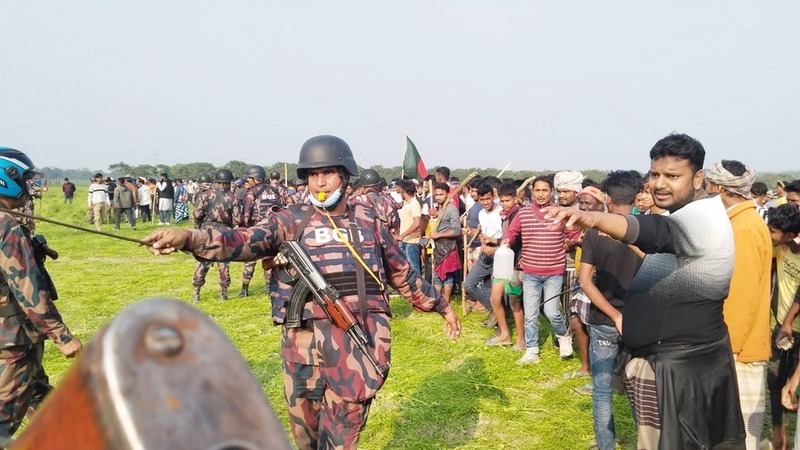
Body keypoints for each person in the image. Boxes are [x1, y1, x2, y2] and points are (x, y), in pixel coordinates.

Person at [142, 135, 461, 449]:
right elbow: (240, 241)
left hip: (355, 343)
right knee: (306, 437)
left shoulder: (369, 223)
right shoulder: (290, 221)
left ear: (345, 176)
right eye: (313, 175)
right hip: (302, 345)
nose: (320, 183)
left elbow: (402, 274)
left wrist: (442, 305)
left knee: (340, 440)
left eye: (328, 174)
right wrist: (188, 237)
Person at [545, 133, 745, 449]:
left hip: (679, 375)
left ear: (698, 178)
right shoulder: (688, 213)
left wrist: (592, 218)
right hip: (674, 364)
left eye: (672, 176)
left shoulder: (702, 221)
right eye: (655, 174)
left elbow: (653, 232)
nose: (659, 184)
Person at [0, 148, 83, 440]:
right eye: (25, 180)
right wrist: (62, 336)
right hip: (14, 341)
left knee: (45, 403)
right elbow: (26, 286)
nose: (30, 187)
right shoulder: (5, 225)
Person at [704, 160, 772, 450]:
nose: (706, 195)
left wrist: (724, 351)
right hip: (740, 345)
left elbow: (740, 300)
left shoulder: (743, 229)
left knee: (739, 436)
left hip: (739, 351)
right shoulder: (742, 222)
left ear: (720, 189)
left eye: (708, 188)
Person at [579, 170, 644, 450]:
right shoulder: (649, 231)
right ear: (637, 196)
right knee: (640, 392)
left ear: (607, 197)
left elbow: (584, 281)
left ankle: (606, 445)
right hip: (640, 323)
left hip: (605, 320)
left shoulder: (595, 233)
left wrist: (615, 315)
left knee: (602, 390)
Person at [502, 175, 573, 365]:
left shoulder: (560, 213)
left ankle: (563, 336)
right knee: (531, 314)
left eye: (545, 190)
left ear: (552, 192)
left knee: (551, 311)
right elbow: (512, 231)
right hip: (531, 272)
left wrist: (572, 241)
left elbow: (574, 233)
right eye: (537, 190)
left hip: (554, 272)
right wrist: (506, 240)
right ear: (532, 192)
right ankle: (532, 350)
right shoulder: (524, 213)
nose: (541, 194)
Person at [767, 204, 800, 450]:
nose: (769, 235)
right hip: (781, 327)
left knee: (794, 385)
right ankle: (780, 434)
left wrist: (788, 322)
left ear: (789, 235)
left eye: (773, 232)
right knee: (775, 379)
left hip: (794, 330)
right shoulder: (780, 249)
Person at [191, 169, 240, 302]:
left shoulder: (205, 195)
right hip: (224, 232)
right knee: (223, 263)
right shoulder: (233, 197)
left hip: (207, 231)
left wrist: (197, 228)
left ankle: (196, 292)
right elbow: (237, 219)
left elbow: (197, 214)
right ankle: (223, 293)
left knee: (203, 261)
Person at [237, 165, 285, 298]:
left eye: (249, 178)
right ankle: (269, 289)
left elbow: (246, 213)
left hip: (256, 229)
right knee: (269, 260)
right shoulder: (275, 191)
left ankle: (245, 289)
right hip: (272, 230)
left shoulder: (252, 192)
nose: (248, 181)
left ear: (255, 179)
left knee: (250, 260)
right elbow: (281, 209)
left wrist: (245, 228)